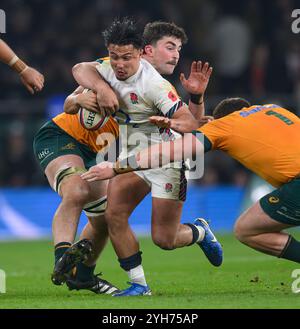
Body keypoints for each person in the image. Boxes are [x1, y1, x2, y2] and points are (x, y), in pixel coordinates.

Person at [73, 17, 222, 297]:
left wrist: (173, 122)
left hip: (166, 159)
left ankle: (200, 231)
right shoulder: (106, 70)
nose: (119, 64)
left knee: (165, 239)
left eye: (126, 58)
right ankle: (139, 285)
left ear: (140, 54)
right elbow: (80, 68)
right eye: (114, 56)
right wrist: (103, 89)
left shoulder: (154, 85)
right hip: (133, 157)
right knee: (114, 214)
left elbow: (189, 123)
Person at [83, 98, 300, 266]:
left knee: (247, 229)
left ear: (218, 119)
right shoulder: (274, 109)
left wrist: (115, 167)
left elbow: (169, 152)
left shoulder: (223, 126)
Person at [33, 86, 120, 295]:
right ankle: (63, 260)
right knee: (77, 189)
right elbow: (68, 103)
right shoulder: (103, 69)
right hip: (61, 135)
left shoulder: (156, 90)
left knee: (107, 218)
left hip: (96, 151)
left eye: (176, 50)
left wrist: (197, 101)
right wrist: (80, 99)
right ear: (144, 52)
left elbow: (182, 123)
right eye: (169, 49)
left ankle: (82, 277)